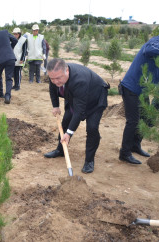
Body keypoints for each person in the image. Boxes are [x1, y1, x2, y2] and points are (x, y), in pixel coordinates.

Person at [44, 58, 109, 174]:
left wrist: (69, 133)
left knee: (92, 128)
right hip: (75, 97)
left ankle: (89, 160)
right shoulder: (55, 75)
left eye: (58, 78)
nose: (56, 82)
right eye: (52, 79)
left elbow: (79, 111)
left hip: (95, 99)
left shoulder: (80, 80)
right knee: (65, 122)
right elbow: (52, 89)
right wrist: (55, 106)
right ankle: (60, 150)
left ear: (67, 71)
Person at [118, 35, 159, 164]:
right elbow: (148, 51)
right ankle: (124, 153)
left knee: (148, 118)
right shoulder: (155, 42)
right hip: (131, 87)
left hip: (143, 90)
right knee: (133, 121)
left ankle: (135, 145)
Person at [0, 24, 17, 104]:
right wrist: (10, 48)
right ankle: (7, 96)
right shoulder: (5, 32)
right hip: (10, 58)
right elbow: (15, 40)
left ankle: (0, 93)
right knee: (8, 78)